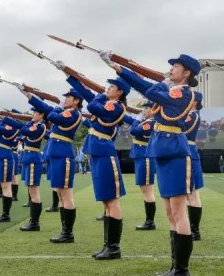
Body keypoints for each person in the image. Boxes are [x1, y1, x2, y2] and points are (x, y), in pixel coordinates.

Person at [101, 51, 199, 276]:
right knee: (170, 212)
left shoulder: (184, 92)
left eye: (176, 66)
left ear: (186, 72)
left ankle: (182, 271)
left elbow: (150, 90)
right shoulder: (172, 90)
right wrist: (118, 67)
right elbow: (147, 87)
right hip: (163, 151)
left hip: (175, 152)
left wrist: (126, 71)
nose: (171, 69)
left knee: (178, 211)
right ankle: (175, 267)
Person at [65, 71, 130, 260]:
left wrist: (101, 94)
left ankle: (114, 248)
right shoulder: (107, 103)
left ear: (119, 92)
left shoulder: (115, 106)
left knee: (112, 200)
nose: (107, 88)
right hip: (98, 152)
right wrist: (70, 76)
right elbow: (86, 94)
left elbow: (92, 105)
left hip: (105, 154)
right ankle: (108, 245)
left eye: (111, 87)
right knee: (106, 201)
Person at [19, 86, 84, 243]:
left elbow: (53, 115)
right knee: (60, 194)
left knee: (66, 194)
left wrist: (59, 106)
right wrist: (29, 95)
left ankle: (68, 233)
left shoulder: (73, 113)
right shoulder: (65, 112)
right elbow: (46, 108)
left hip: (63, 155)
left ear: (76, 101)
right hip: (56, 154)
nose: (65, 99)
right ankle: (64, 231)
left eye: (68, 97)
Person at [3, 106, 48, 231]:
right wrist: (8, 117)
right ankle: (33, 221)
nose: (33, 114)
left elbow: (24, 130)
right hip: (29, 158)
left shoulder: (39, 126)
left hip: (33, 159)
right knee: (32, 191)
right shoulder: (34, 125)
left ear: (41, 115)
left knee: (34, 192)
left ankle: (35, 223)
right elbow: (23, 127)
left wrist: (9, 118)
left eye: (35, 112)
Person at [129, 102, 157, 231]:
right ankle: (149, 221)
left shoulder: (151, 123)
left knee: (147, 191)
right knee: (145, 190)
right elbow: (131, 122)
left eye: (146, 108)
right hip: (142, 156)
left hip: (145, 157)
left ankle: (150, 222)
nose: (144, 110)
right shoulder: (146, 121)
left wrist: (137, 118)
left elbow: (133, 130)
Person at [183, 93, 205, 241]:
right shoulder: (188, 114)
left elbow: (182, 128)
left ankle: (195, 231)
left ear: (195, 102)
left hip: (189, 154)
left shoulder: (192, 115)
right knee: (187, 194)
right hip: (185, 153)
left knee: (193, 194)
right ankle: (190, 228)